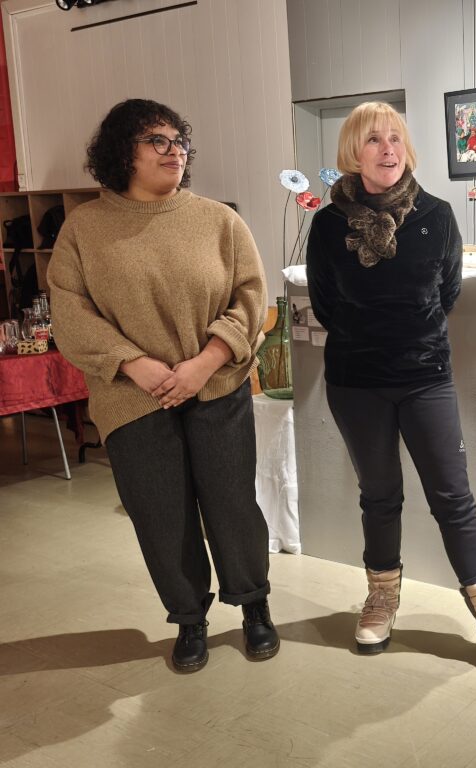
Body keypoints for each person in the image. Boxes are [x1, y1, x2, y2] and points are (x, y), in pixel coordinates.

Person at [305, 101, 476, 657]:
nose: (387, 149)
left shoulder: (435, 214)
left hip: (424, 376)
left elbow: (448, 293)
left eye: (395, 138)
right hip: (355, 380)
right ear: (353, 153)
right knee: (380, 495)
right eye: (373, 140)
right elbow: (325, 304)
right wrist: (373, 339)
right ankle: (381, 599)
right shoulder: (329, 223)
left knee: (452, 493)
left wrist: (406, 338)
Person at [49, 99, 278, 673]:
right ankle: (189, 619)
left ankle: (254, 606)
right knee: (160, 514)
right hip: (133, 396)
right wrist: (133, 363)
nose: (173, 150)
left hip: (216, 387)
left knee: (232, 505)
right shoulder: (84, 228)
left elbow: (251, 297)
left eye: (179, 140)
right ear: (121, 150)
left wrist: (206, 361)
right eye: (156, 140)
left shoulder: (219, 220)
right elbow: (70, 313)